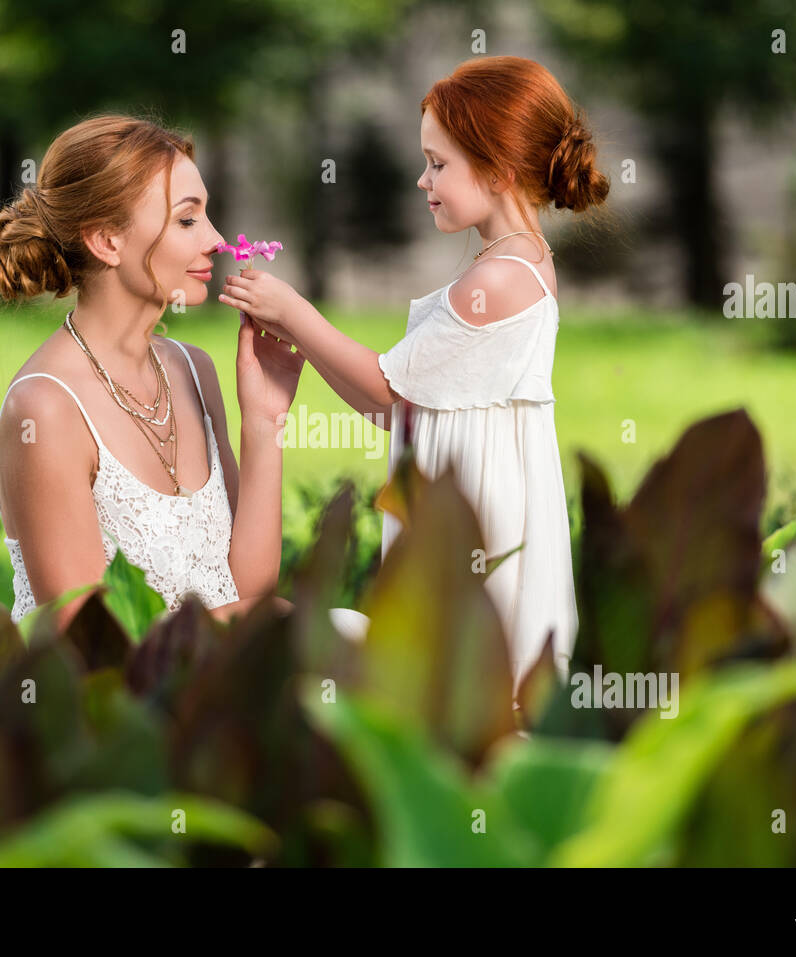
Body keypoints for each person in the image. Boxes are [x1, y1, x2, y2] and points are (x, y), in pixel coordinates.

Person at [217, 56, 609, 693]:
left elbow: (389, 389)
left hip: (477, 519)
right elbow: (399, 405)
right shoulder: (512, 261)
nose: (423, 180)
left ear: (499, 167)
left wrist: (295, 312)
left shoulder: (503, 278)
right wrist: (299, 338)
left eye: (439, 163)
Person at [0, 114, 304, 633]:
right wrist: (278, 618)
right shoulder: (45, 408)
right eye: (187, 220)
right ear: (107, 239)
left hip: (207, 691)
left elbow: (248, 592)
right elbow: (90, 642)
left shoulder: (195, 370)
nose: (217, 240)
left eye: (207, 217)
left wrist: (265, 420)